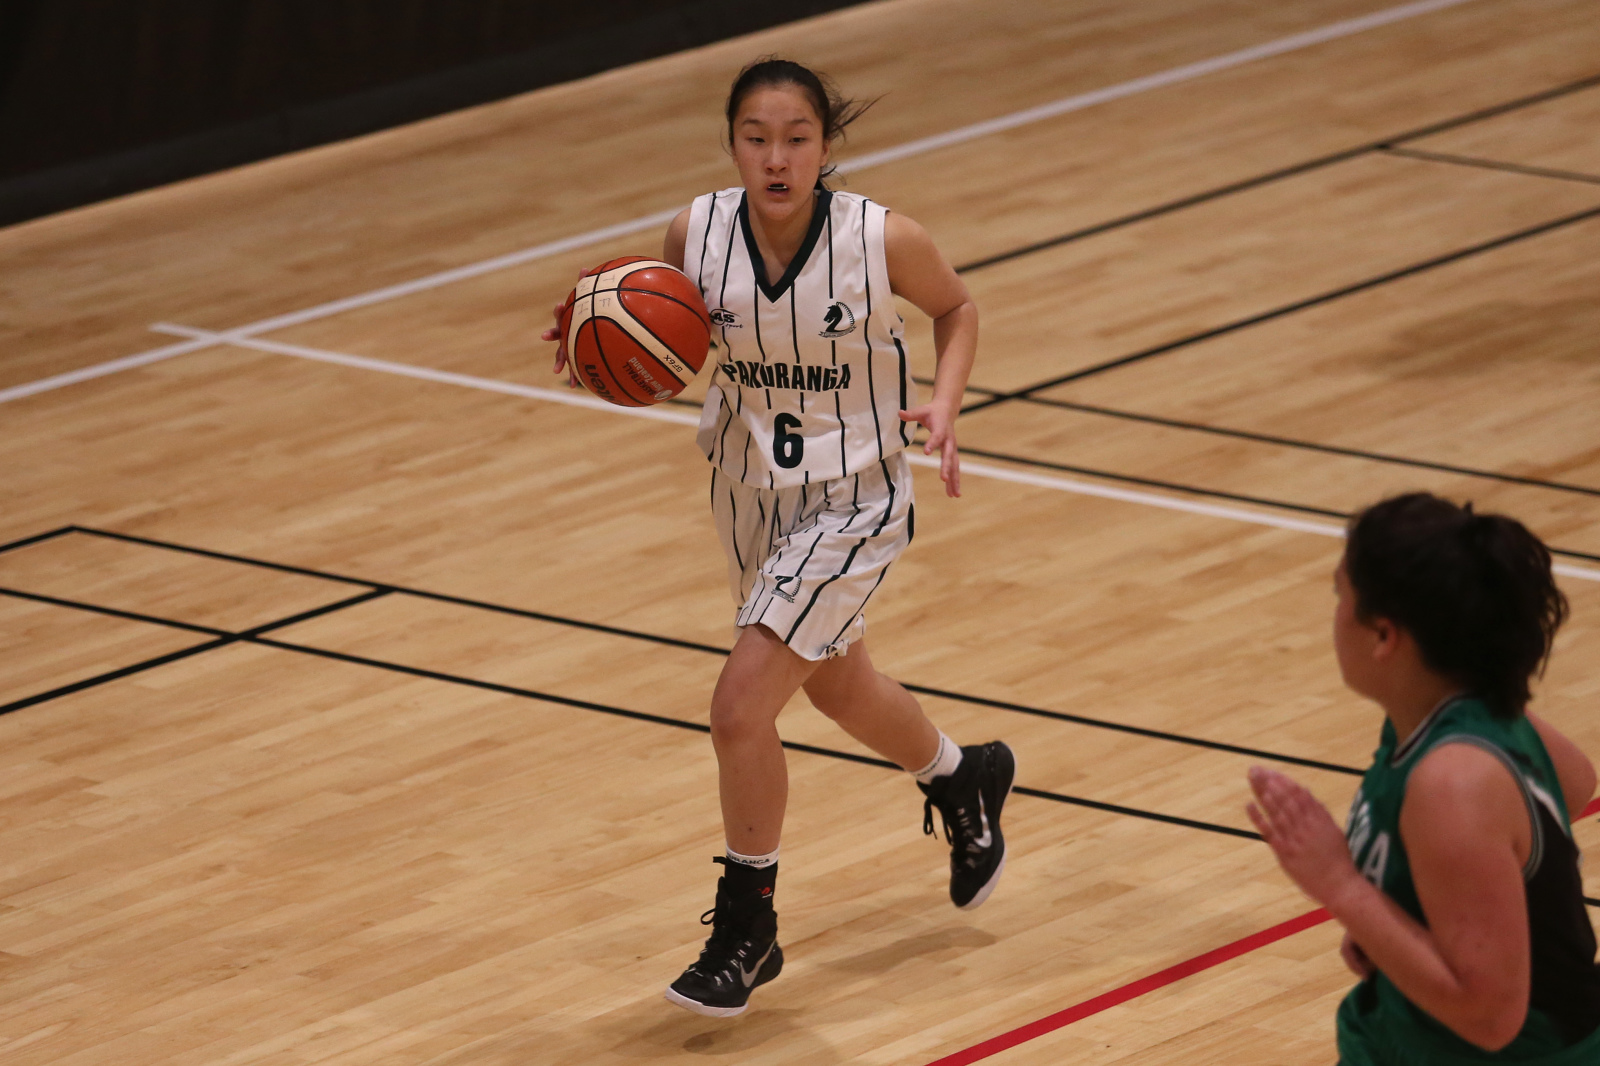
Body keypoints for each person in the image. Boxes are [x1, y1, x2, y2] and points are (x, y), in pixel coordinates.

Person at [542, 57, 1014, 1018]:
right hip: (748, 494)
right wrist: (602, 347)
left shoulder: (881, 238)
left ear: (825, 146)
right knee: (839, 686)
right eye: (756, 138)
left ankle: (747, 929)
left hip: (854, 500)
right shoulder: (694, 232)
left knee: (738, 708)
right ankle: (962, 776)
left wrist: (948, 403)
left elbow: (957, 307)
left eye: (796, 139)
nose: (776, 158)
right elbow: (670, 339)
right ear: (732, 146)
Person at [1247, 492, 1600, 1063]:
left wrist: (1342, 886)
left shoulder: (1453, 782)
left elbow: (1490, 1018)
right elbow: (1574, 782)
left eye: (1340, 596)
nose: (1335, 614)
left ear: (1384, 636)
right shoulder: (1456, 709)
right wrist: (1403, 921)